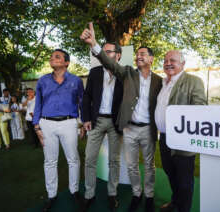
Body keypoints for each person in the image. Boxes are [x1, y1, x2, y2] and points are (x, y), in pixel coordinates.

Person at [81, 22, 162, 212]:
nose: (139, 56)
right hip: (121, 126)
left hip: (140, 128)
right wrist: (94, 44)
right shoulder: (127, 73)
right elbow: (106, 66)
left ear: (151, 59)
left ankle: (143, 196)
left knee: (144, 165)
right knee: (128, 165)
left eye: (143, 54)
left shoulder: (159, 81)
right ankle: (133, 194)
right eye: (137, 54)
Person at [155, 50, 207, 212]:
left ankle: (183, 209)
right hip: (164, 138)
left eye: (173, 60)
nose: (168, 63)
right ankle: (175, 203)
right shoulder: (163, 83)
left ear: (183, 64)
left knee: (184, 181)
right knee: (170, 173)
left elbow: (200, 107)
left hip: (183, 140)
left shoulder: (193, 81)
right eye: (165, 60)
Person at [33, 49, 84, 212]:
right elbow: (38, 104)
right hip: (46, 124)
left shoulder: (76, 81)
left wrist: (82, 124)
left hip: (69, 123)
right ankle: (51, 195)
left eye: (57, 56)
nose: (52, 58)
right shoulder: (42, 81)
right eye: (51, 57)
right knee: (50, 161)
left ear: (66, 63)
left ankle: (74, 191)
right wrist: (36, 126)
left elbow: (82, 103)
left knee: (73, 159)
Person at [82, 42, 124, 211]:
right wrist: (85, 118)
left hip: (116, 123)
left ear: (118, 55)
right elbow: (86, 98)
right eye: (103, 51)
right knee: (89, 159)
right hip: (96, 121)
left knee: (114, 161)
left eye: (108, 51)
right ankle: (89, 194)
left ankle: (112, 194)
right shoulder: (94, 73)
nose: (104, 54)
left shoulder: (125, 73)